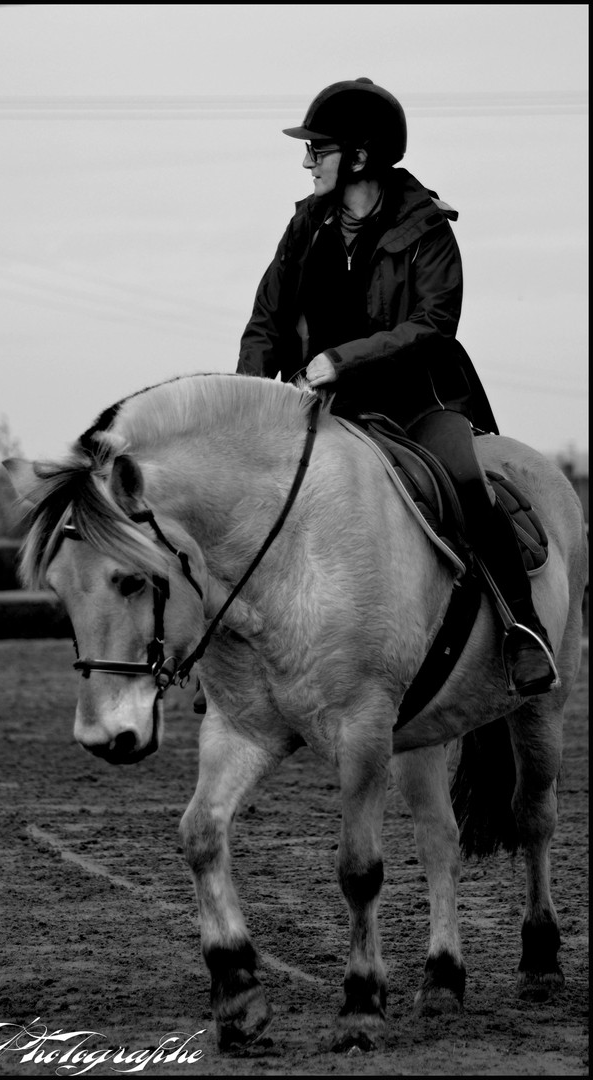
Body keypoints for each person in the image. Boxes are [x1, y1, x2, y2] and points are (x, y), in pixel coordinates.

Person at [235, 77, 559, 697]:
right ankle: (244, 648)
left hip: (420, 402)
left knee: (465, 483)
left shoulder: (428, 229)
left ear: (359, 156)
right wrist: (251, 399)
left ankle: (523, 628)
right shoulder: (304, 227)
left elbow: (433, 325)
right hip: (322, 407)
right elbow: (266, 321)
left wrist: (340, 360)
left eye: (318, 149)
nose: (306, 161)